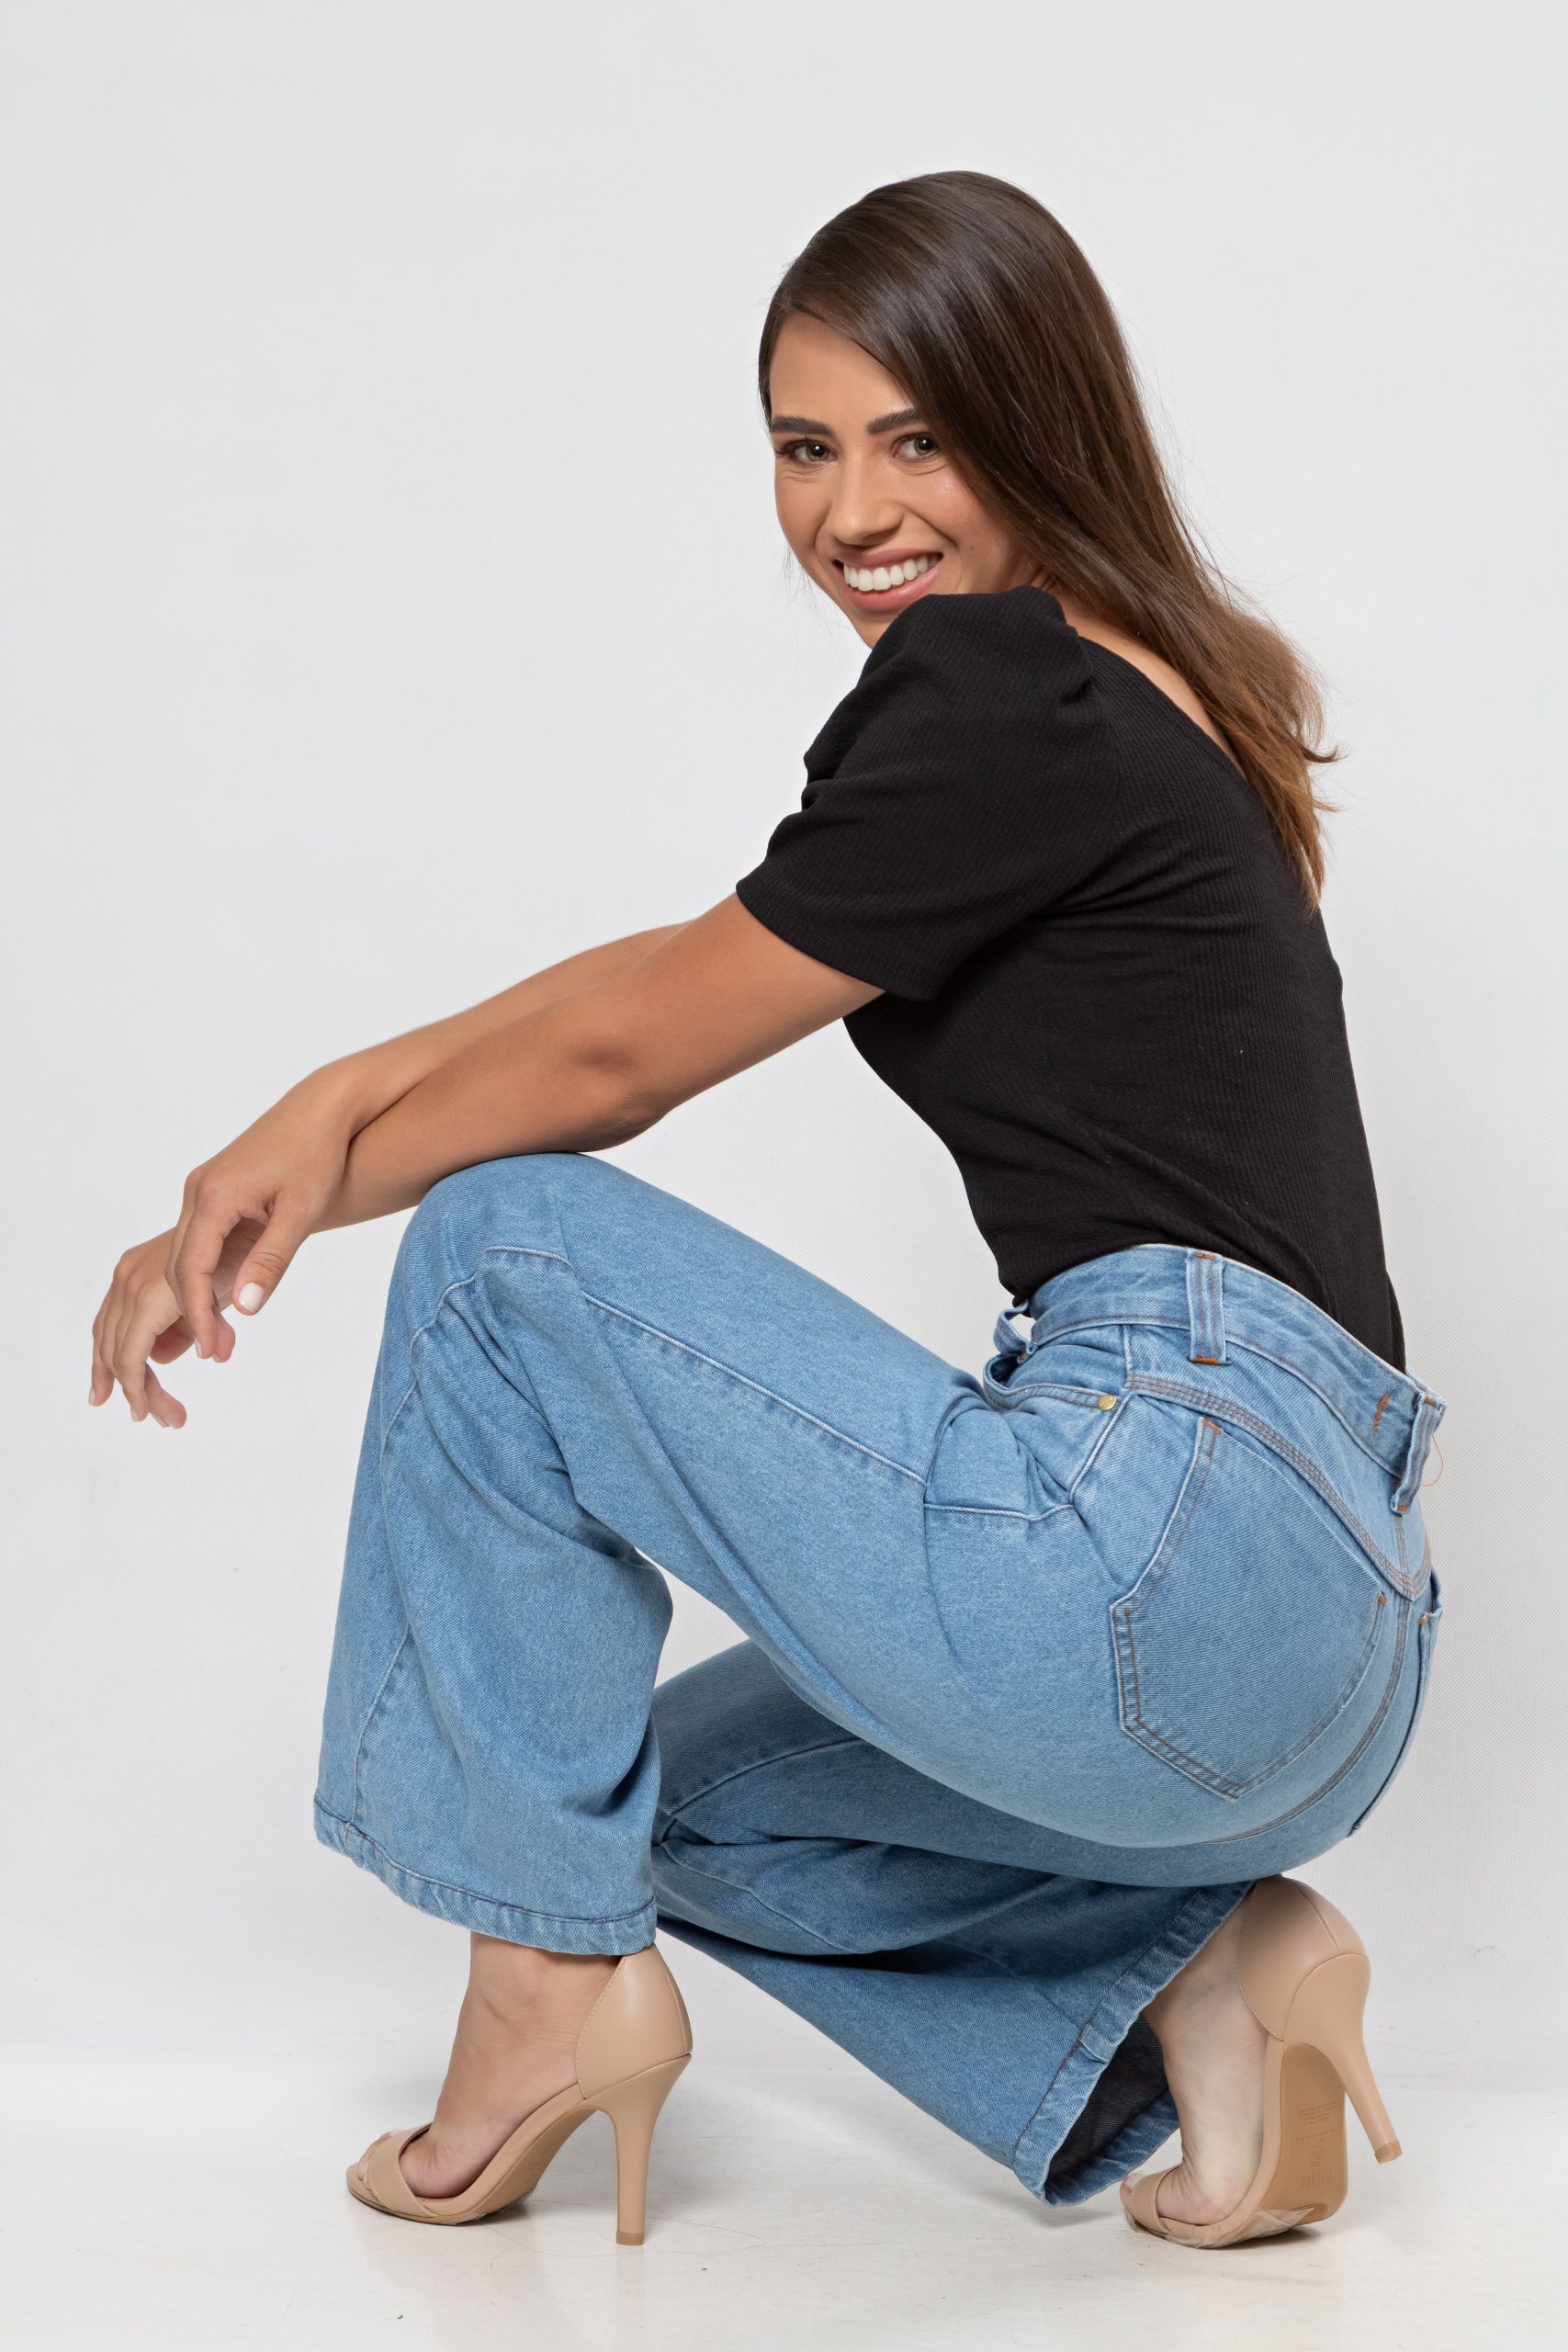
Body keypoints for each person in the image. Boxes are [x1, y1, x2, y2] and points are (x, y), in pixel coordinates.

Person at [88, 169, 1447, 2253]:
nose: (850, 510)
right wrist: (328, 1101)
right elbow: (695, 957)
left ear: (1038, 426)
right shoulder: (1135, 685)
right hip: (1325, 1645)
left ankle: (536, 2005)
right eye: (804, 448)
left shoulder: (993, 687)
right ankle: (1207, 1971)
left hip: (1163, 1541)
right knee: (618, 1800)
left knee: (502, 1246)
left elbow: (625, 1058)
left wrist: (323, 1171)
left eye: (918, 440)